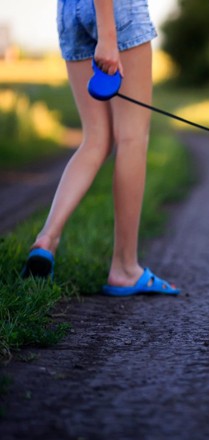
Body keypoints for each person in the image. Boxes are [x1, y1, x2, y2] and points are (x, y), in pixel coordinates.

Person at [21, 0, 179, 296]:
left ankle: (47, 240)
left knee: (96, 139)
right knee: (132, 137)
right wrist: (108, 36)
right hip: (116, 10)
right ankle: (124, 267)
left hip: (69, 11)